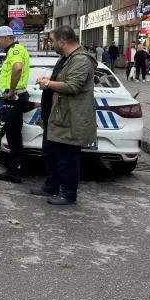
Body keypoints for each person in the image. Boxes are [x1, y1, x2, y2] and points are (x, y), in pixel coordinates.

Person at [33, 26, 97, 206]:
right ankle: (52, 186)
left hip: (70, 118)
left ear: (62, 41)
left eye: (53, 41)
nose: (52, 44)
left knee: (68, 157)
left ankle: (68, 194)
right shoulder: (66, 59)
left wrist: (48, 83)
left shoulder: (81, 60)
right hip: (59, 116)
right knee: (53, 153)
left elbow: (73, 86)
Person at [0, 26, 30, 184]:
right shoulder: (15, 50)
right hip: (17, 98)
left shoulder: (15, 50)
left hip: (12, 99)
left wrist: (11, 90)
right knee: (13, 135)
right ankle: (14, 171)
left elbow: (17, 68)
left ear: (5, 38)